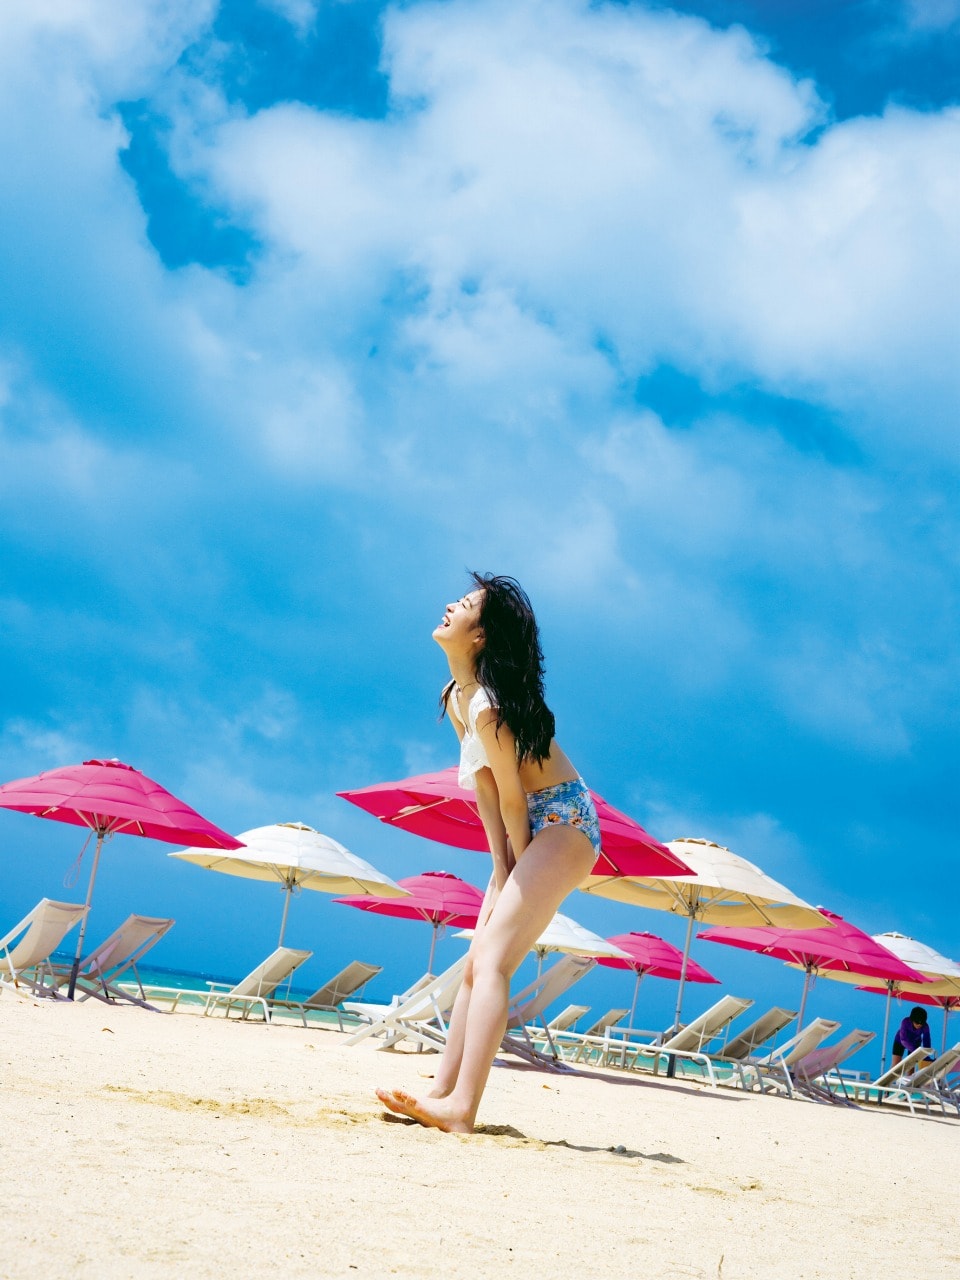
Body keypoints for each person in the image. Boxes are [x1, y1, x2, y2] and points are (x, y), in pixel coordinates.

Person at [376, 573, 602, 1133]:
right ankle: (441, 1090)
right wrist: (499, 866)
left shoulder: (489, 706)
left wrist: (510, 867)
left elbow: (510, 795)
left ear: (480, 637)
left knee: (496, 958)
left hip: (565, 822)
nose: (450, 603)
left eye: (467, 604)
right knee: (477, 963)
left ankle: (461, 1110)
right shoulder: (459, 697)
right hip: (531, 822)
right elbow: (482, 791)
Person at [891, 1006, 934, 1070]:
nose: (919, 1025)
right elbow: (903, 1040)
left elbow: (926, 1040)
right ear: (912, 1020)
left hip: (915, 1042)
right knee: (895, 1065)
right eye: (917, 1022)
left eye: (921, 1023)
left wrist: (926, 1054)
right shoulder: (905, 1022)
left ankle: (910, 1078)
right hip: (900, 1041)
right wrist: (915, 1051)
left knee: (911, 1066)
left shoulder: (925, 1026)